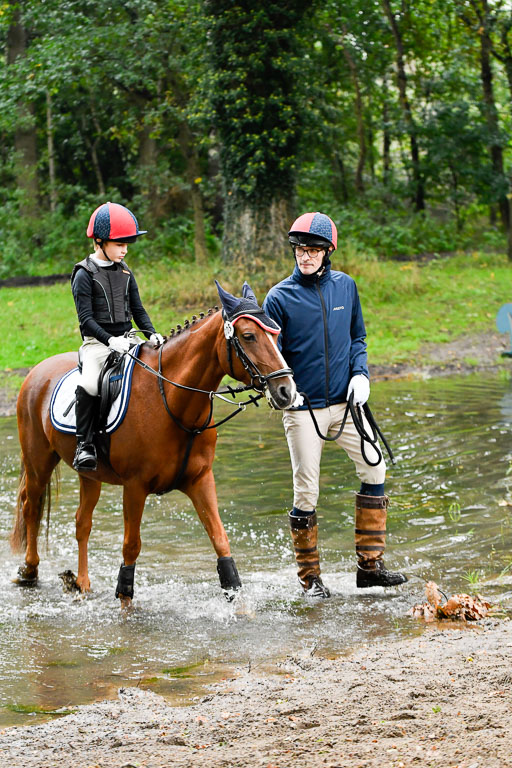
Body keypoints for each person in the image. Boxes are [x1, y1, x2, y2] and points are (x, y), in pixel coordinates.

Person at [263, 212, 407, 598]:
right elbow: (270, 354)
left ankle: (370, 566)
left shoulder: (346, 287)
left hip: (346, 403)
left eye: (312, 250)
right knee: (306, 493)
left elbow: (357, 337)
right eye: (299, 249)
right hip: (303, 408)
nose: (304, 256)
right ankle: (310, 579)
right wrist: (284, 391)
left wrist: (361, 374)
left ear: (328, 251)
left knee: (375, 467)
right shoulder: (278, 297)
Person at [71, 202, 164, 471]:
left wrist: (152, 332)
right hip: (97, 344)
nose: (125, 249)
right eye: (119, 243)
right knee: (89, 383)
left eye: (127, 244)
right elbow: (86, 320)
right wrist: (110, 341)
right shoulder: (83, 274)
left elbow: (138, 309)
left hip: (129, 338)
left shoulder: (125, 271)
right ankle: (84, 445)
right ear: (100, 242)